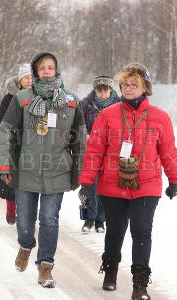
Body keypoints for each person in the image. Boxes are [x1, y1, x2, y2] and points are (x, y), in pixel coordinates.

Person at [78, 63, 177, 300]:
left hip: (147, 183)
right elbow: (94, 151)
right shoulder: (107, 115)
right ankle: (111, 270)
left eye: (133, 84)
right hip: (113, 182)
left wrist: (174, 178)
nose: (127, 88)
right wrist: (86, 183)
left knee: (142, 231)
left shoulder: (160, 117)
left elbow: (168, 152)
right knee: (115, 231)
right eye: (124, 84)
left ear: (145, 87)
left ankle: (140, 285)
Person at [0, 52, 86, 288]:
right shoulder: (22, 98)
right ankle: (25, 245)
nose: (46, 71)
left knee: (49, 220)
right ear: (35, 71)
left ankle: (45, 266)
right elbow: (5, 130)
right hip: (26, 169)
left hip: (57, 170)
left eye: (50, 67)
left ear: (56, 70)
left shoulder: (71, 100)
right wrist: (4, 164)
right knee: (24, 220)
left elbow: (81, 140)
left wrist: (80, 170)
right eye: (42, 68)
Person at [80, 75, 120, 233]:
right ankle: (88, 219)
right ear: (95, 90)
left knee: (106, 185)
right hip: (91, 149)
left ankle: (100, 220)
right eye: (100, 90)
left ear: (111, 90)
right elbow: (79, 123)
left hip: (111, 151)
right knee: (89, 184)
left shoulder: (120, 104)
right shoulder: (85, 104)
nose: (103, 94)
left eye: (106, 90)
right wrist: (85, 136)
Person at [0, 64, 32, 225]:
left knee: (29, 183)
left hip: (31, 146)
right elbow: (0, 123)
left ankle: (27, 213)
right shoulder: (9, 97)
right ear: (20, 80)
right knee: (11, 181)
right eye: (26, 77)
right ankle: (11, 208)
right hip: (12, 146)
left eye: (32, 77)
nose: (29, 80)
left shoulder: (37, 97)